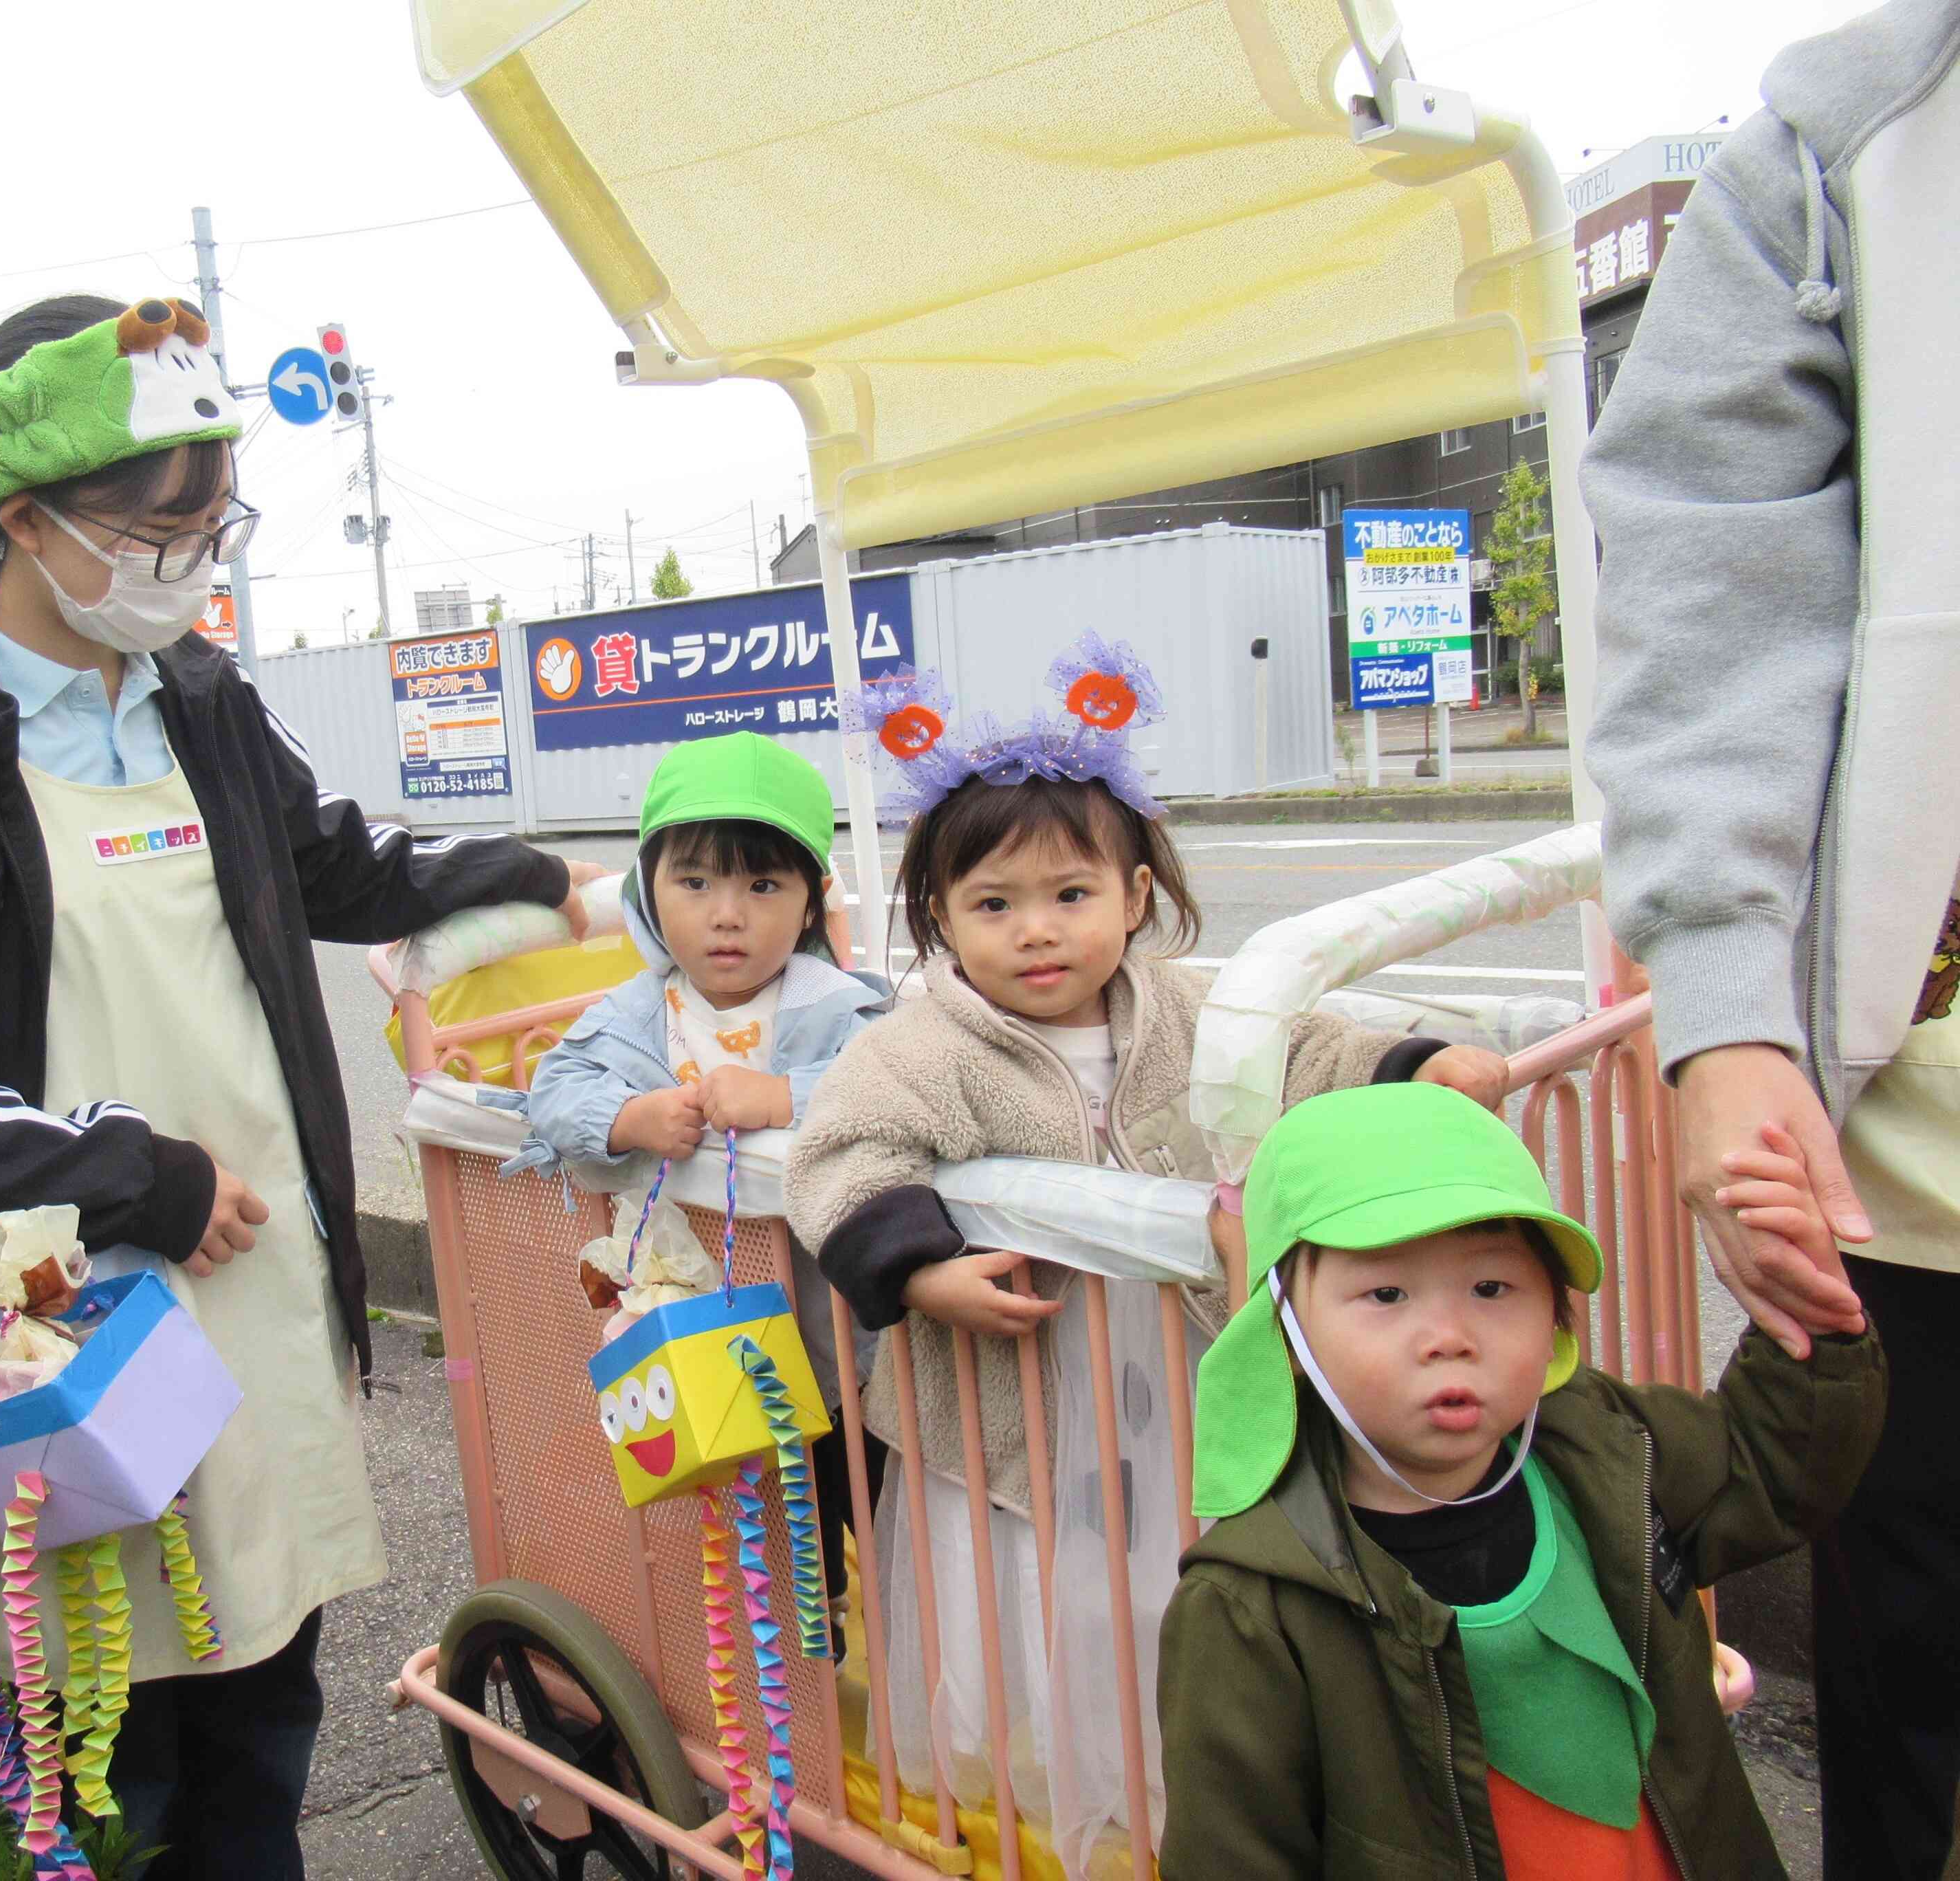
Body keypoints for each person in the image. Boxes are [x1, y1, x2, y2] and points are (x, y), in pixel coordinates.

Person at [0, 292, 599, 1878]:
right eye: (161, 525)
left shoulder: (197, 698)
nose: (195, 557)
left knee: (258, 1731)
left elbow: (332, 862)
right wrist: (135, 1171)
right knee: (104, 1775)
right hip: (47, 1359)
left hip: (253, 1313)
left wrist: (560, 880)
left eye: (219, 522)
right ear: (23, 515)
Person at [784, 639, 1508, 1865]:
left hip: (1168, 1380)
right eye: (991, 906)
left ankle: (1204, 1774)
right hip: (1008, 1403)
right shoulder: (926, 1044)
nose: (1035, 933)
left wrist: (1420, 1065)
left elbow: (1309, 1046)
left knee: (1174, 1581)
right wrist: (919, 1270)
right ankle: (1071, 1794)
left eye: (1070, 895)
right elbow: (839, 1152)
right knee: (1034, 1594)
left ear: (1134, 893)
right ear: (939, 920)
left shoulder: (1181, 1009)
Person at [1581, 6, 1960, 1872]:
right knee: (1915, 1661)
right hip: (1923, 1153)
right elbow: (1709, 563)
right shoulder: (1859, 127)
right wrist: (1727, 1016)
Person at [1156, 1084, 1886, 1880]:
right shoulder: (1252, 1606)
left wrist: (1808, 1303)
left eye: (1492, 1288)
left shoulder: (1607, 1447)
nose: (1449, 1337)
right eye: (1386, 1294)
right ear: (1287, 1334)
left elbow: (1771, 1470)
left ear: (1555, 1312)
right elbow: (1233, 1855)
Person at [507, 729, 892, 1594]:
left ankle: (865, 1623)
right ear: (649, 894)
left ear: (809, 902)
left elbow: (904, 1082)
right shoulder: (635, 1013)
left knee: (857, 1479)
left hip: (836, 1325)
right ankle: (801, 1639)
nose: (728, 914)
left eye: (763, 884)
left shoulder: (838, 1006)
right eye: (694, 883)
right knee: (754, 1506)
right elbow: (554, 1093)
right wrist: (629, 1118)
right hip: (702, 1321)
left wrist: (788, 1096)